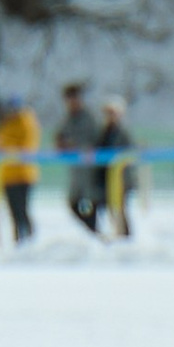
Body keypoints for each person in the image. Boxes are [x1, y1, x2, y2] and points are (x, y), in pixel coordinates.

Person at [0, 90, 41, 244]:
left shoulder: (27, 122)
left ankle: (28, 240)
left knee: (22, 210)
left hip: (23, 174)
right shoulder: (6, 123)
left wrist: (5, 146)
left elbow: (26, 147)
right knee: (13, 211)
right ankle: (18, 240)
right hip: (8, 174)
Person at [55, 82, 100, 233]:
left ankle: (95, 234)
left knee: (88, 206)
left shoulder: (88, 119)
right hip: (76, 173)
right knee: (74, 204)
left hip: (89, 173)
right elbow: (61, 137)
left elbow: (95, 141)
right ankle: (93, 234)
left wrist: (77, 146)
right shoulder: (67, 119)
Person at [98, 93, 135, 238]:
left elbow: (128, 154)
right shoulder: (104, 133)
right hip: (108, 177)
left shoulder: (122, 133)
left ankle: (124, 235)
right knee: (112, 206)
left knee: (120, 207)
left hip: (122, 178)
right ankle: (118, 233)